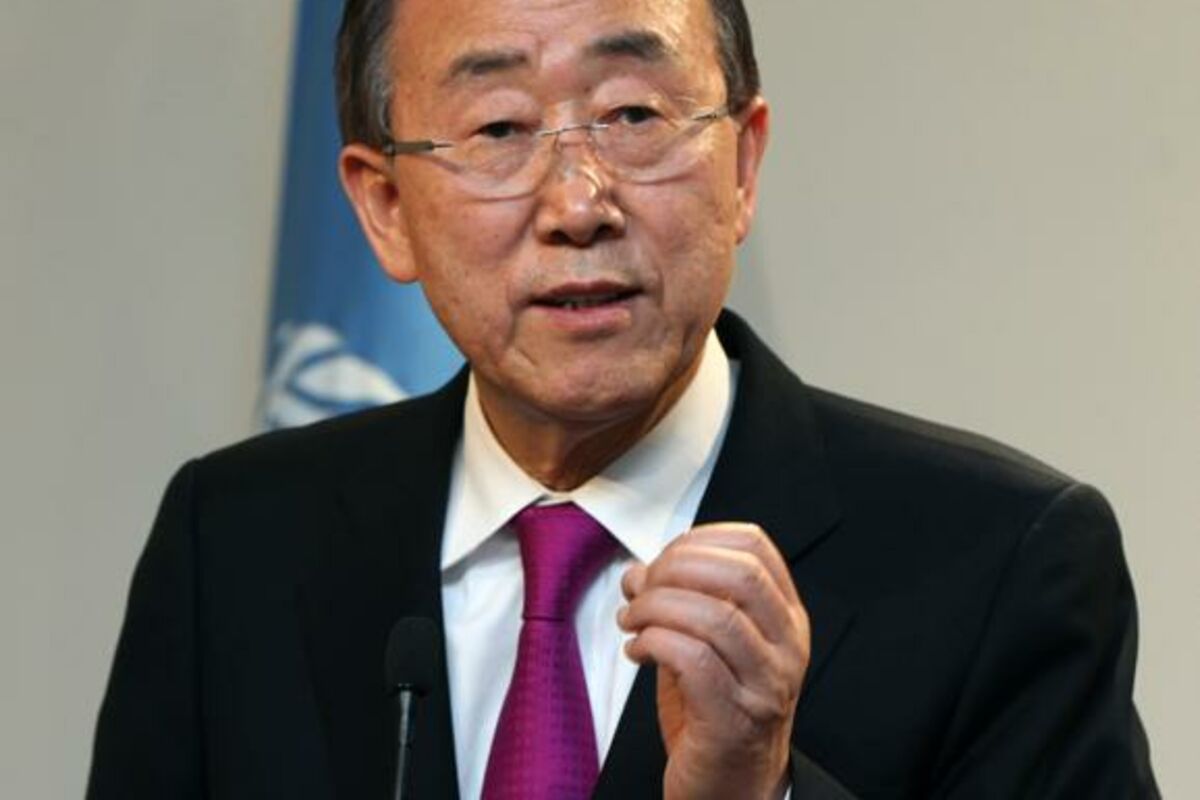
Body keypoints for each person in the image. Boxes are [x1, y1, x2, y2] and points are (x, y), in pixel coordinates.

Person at [87, 0, 1158, 797]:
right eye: (499, 129)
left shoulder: (1002, 562)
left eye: (633, 112)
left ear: (743, 165)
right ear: (385, 208)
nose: (577, 203)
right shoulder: (234, 544)